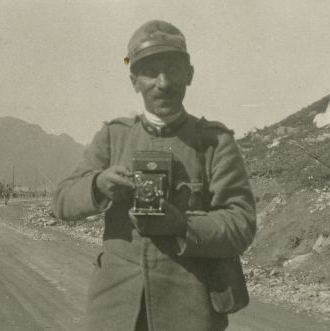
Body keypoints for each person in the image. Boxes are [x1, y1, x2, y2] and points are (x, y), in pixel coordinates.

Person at [53, 20, 257, 331]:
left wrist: (181, 225)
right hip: (114, 312)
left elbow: (241, 224)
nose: (163, 83)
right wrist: (99, 185)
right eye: (150, 71)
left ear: (189, 74)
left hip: (188, 313)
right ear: (134, 81)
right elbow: (61, 201)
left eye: (173, 69)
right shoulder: (113, 137)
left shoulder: (214, 142)